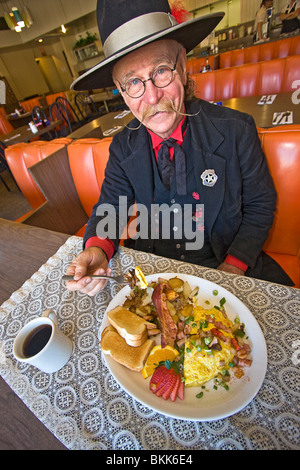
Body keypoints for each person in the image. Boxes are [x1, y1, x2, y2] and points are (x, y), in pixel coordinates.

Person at [66, 0, 293, 296]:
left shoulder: (237, 129)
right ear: (121, 92)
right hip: (154, 275)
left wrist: (232, 270)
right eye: (133, 82)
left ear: (183, 67)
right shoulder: (123, 147)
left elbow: (260, 207)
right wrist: (98, 250)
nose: (151, 97)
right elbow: (111, 210)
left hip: (228, 265)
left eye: (161, 71)